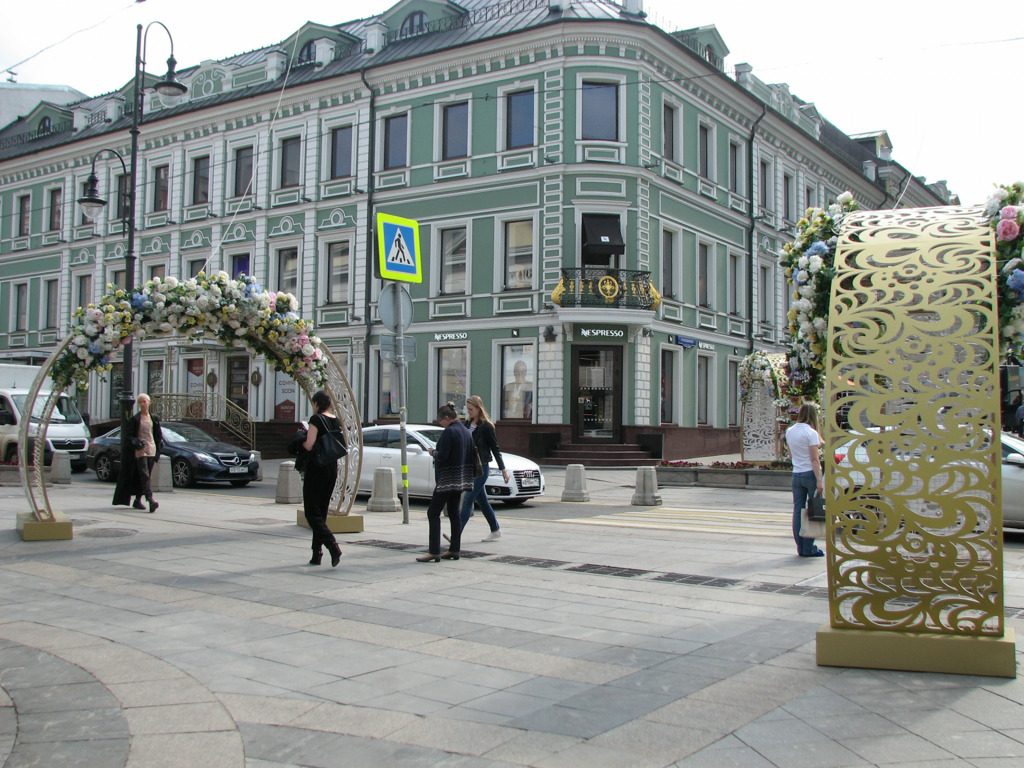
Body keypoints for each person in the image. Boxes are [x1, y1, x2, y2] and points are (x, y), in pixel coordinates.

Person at [416, 402, 475, 563]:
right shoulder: (466, 431)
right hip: (461, 479)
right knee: (454, 513)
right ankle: (454, 549)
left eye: (440, 421)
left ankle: (434, 551)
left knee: (433, 512)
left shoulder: (450, 432)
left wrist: (433, 452)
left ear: (447, 418)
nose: (440, 424)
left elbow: (443, 456)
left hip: (447, 479)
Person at [301, 390, 343, 567]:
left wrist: (300, 439)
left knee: (312, 512)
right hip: (332, 467)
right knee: (322, 511)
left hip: (316, 468)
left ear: (316, 404)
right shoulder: (336, 420)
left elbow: (309, 445)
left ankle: (332, 545)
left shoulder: (316, 419)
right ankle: (316, 554)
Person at [459, 395, 509, 542]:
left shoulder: (486, 426)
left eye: (471, 409)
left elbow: (495, 448)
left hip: (482, 467)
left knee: (468, 500)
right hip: (469, 467)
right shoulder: (467, 424)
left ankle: (456, 534)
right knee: (483, 501)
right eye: (467, 409)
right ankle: (495, 530)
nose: (468, 412)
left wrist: (503, 469)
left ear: (478, 409)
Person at [785, 403, 824, 557]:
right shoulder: (811, 433)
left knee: (798, 510)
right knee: (812, 511)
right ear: (813, 416)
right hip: (810, 474)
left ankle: (800, 547)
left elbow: (791, 454)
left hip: (797, 475)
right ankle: (809, 547)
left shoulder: (790, 431)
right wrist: (820, 481)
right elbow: (815, 459)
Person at [112, 393, 163, 513]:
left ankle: (138, 500)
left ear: (149, 403)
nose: (142, 404)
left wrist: (158, 452)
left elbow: (158, 436)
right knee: (145, 475)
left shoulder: (154, 418)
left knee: (145, 476)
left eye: (144, 401)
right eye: (140, 402)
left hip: (151, 449)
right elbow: (128, 436)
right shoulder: (135, 419)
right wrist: (137, 443)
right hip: (140, 451)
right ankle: (151, 500)